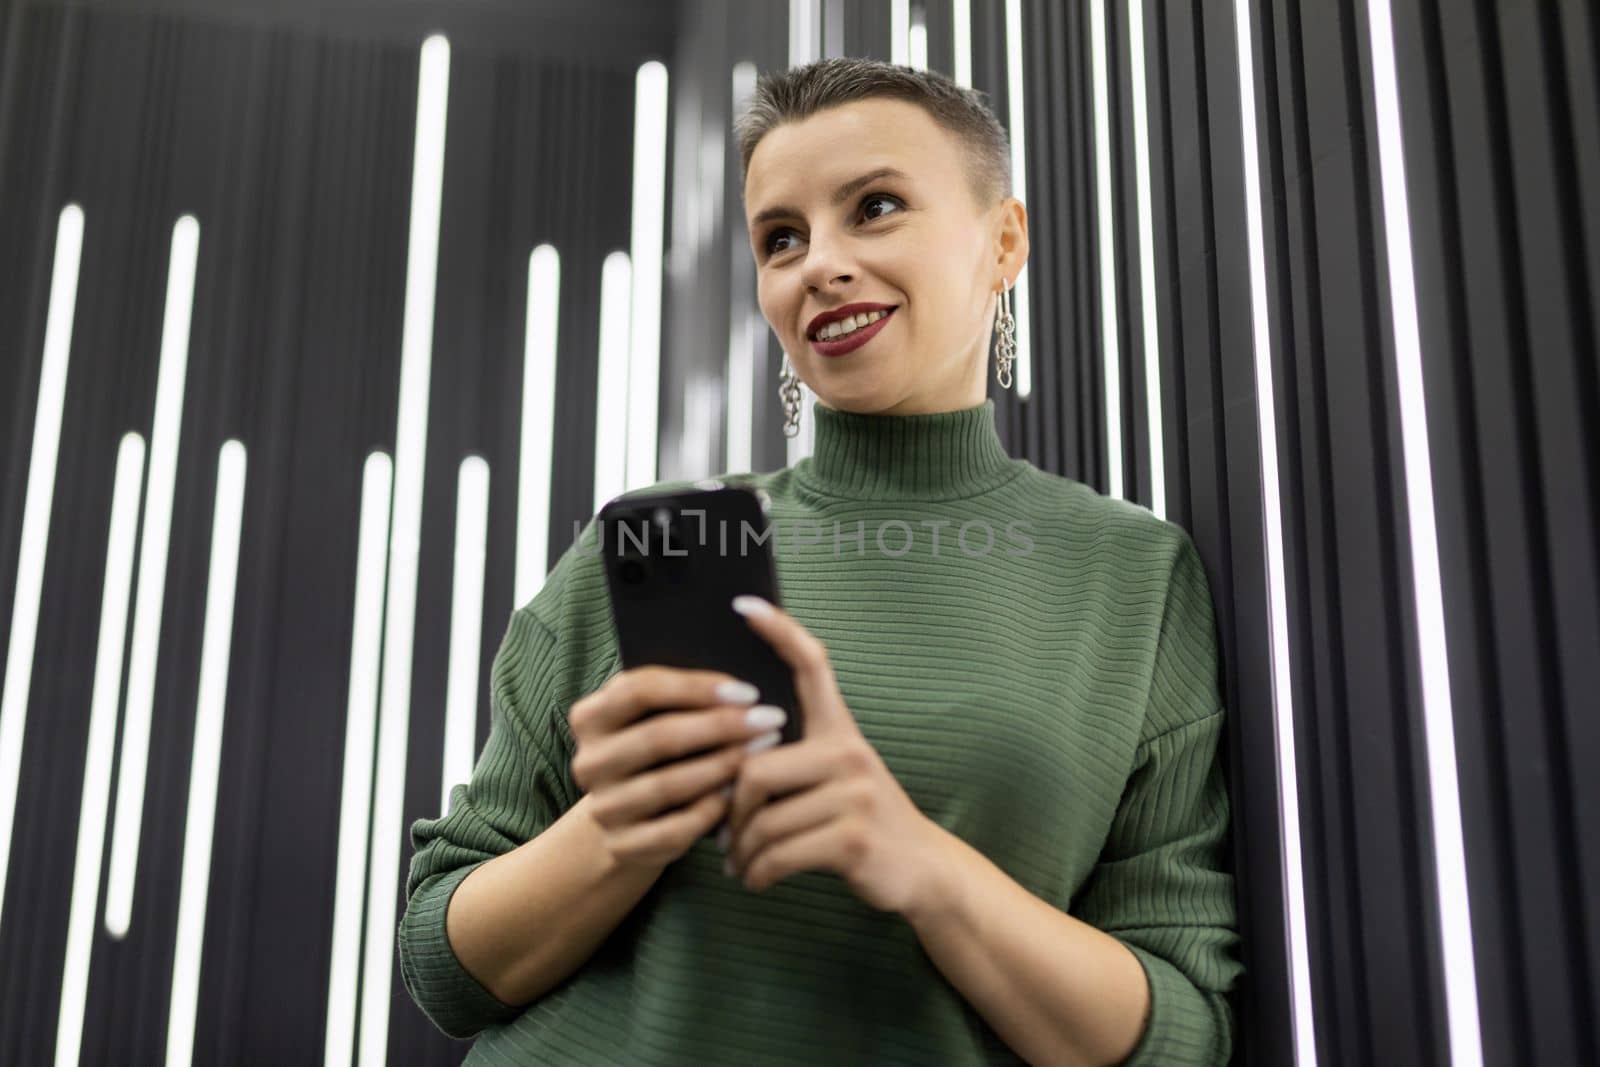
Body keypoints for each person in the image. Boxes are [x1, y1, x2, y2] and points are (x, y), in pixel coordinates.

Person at [398, 56, 1244, 1065]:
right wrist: (619, 828)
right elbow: (443, 968)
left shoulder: (1132, 576)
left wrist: (918, 860)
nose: (819, 265)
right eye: (781, 238)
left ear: (1003, 241)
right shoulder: (662, 541)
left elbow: (1182, 1033)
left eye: (875, 207)